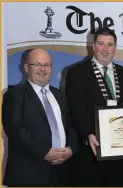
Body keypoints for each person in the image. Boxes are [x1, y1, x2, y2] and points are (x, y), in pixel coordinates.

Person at [65, 27, 123, 186]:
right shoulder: (76, 72)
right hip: (91, 151)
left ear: (115, 47)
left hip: (119, 151)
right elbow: (76, 109)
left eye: (110, 44)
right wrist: (88, 133)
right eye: (101, 44)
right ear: (93, 46)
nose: (105, 49)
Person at [2, 48, 77, 186]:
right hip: (28, 174)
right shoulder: (14, 95)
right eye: (37, 64)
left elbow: (70, 126)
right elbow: (16, 130)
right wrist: (45, 152)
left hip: (61, 174)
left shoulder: (60, 96)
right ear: (26, 68)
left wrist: (71, 149)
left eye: (47, 65)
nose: (43, 69)